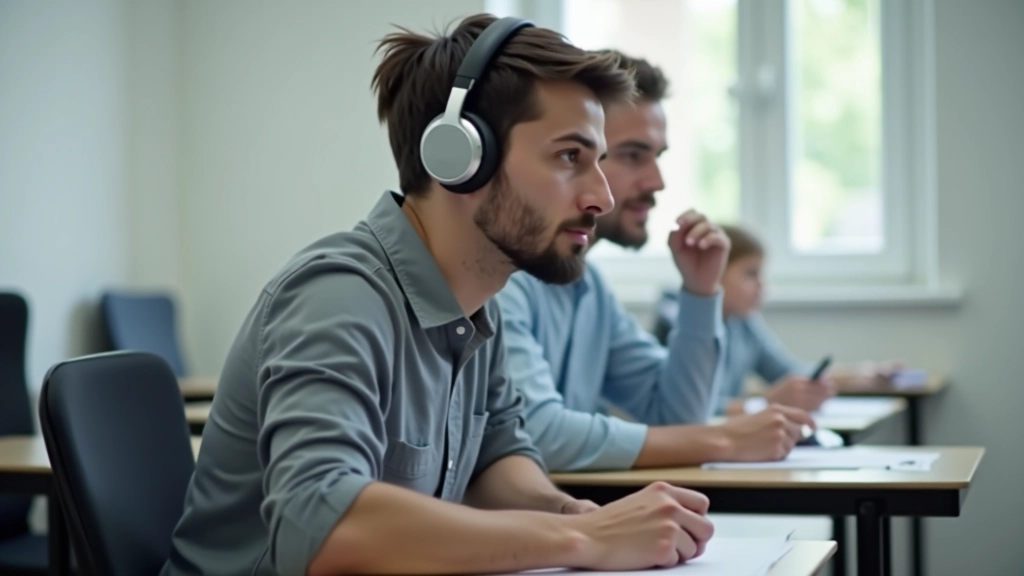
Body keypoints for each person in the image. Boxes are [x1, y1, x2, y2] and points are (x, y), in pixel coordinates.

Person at [161, 16, 715, 576]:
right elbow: (320, 528)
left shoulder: (476, 303)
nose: (601, 195)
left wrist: (571, 511)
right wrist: (579, 539)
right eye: (570, 157)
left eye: (598, 160)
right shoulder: (338, 296)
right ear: (461, 158)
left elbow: (496, 457)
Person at [496, 50, 816, 473]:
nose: (657, 182)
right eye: (633, 155)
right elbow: (538, 434)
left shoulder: (592, 292)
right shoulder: (502, 283)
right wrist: (722, 440)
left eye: (658, 157)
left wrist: (701, 292)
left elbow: (677, 415)